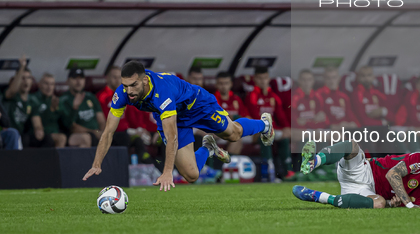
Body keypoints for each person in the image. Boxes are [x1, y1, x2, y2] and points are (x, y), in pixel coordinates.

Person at [82, 60, 276, 191]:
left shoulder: (162, 92)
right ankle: (208, 148)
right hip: (175, 117)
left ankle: (264, 124)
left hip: (198, 105)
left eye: (133, 85)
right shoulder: (123, 93)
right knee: (191, 175)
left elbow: (171, 135)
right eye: (125, 86)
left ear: (144, 80)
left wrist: (167, 172)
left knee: (233, 134)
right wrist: (96, 163)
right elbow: (108, 131)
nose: (128, 91)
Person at [293, 139, 420, 209]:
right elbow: (392, 174)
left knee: (379, 203)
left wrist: (391, 203)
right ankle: (314, 161)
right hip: (364, 170)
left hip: (364, 192)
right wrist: (405, 201)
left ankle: (317, 196)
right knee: (352, 146)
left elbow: (389, 204)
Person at [244, 65, 290, 179]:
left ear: (268, 79)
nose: (263, 81)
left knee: (284, 138)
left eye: (265, 78)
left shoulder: (273, 96)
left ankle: (288, 172)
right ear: (254, 79)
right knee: (265, 136)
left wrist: (286, 127)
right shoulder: (252, 96)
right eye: (260, 78)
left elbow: (280, 115)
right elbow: (254, 116)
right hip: (257, 130)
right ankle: (269, 171)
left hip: (272, 130)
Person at [2, 56, 53, 148]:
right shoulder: (11, 95)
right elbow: (13, 90)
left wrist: (39, 130)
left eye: (28, 78)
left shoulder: (32, 100)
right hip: (8, 132)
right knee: (21, 138)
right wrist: (22, 67)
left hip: (23, 134)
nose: (26, 81)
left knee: (47, 138)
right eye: (22, 78)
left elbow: (36, 120)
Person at [60, 68, 106, 148]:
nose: (78, 82)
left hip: (96, 133)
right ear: (68, 81)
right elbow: (72, 127)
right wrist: (94, 132)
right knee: (88, 137)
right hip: (75, 135)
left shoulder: (90, 97)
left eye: (81, 78)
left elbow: (101, 120)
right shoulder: (64, 100)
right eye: (74, 78)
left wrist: (101, 132)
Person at [214, 71, 250, 156]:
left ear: (231, 84)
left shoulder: (236, 99)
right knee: (236, 137)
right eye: (221, 83)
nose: (224, 86)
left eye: (226, 83)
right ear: (216, 84)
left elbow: (247, 116)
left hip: (236, 130)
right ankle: (228, 165)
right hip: (219, 132)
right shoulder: (213, 99)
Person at [29, 73, 67, 148]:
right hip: (39, 134)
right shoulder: (33, 98)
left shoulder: (56, 100)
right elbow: (37, 121)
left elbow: (67, 122)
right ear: (39, 84)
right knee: (61, 138)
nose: (49, 87)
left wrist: (56, 109)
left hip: (54, 133)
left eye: (52, 84)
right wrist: (50, 110)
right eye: (46, 84)